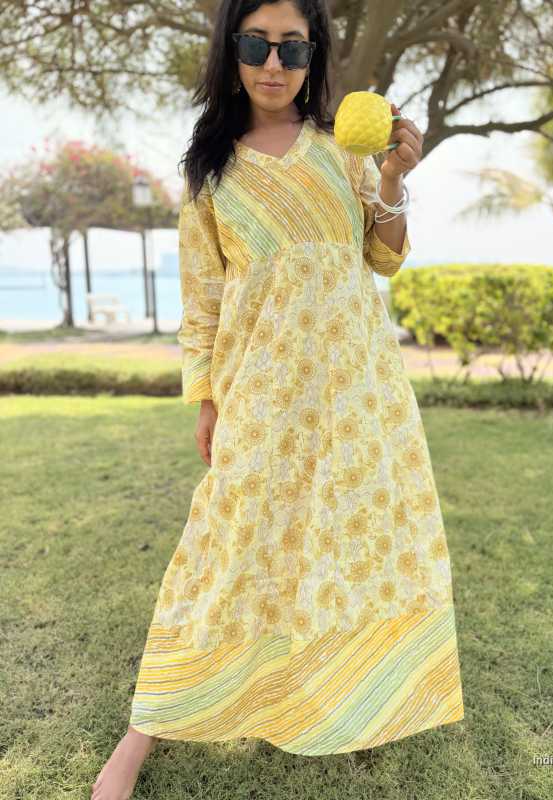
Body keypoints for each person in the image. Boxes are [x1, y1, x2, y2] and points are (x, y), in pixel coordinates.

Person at [91, 0, 464, 796]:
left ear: (314, 58)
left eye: (291, 49)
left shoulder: (343, 151)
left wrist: (393, 179)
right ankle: (142, 732)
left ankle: (355, 696)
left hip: (358, 392)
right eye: (256, 44)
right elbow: (202, 303)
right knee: (224, 548)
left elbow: (384, 258)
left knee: (354, 541)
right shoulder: (211, 170)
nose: (272, 64)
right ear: (231, 52)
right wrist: (207, 400)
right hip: (261, 393)